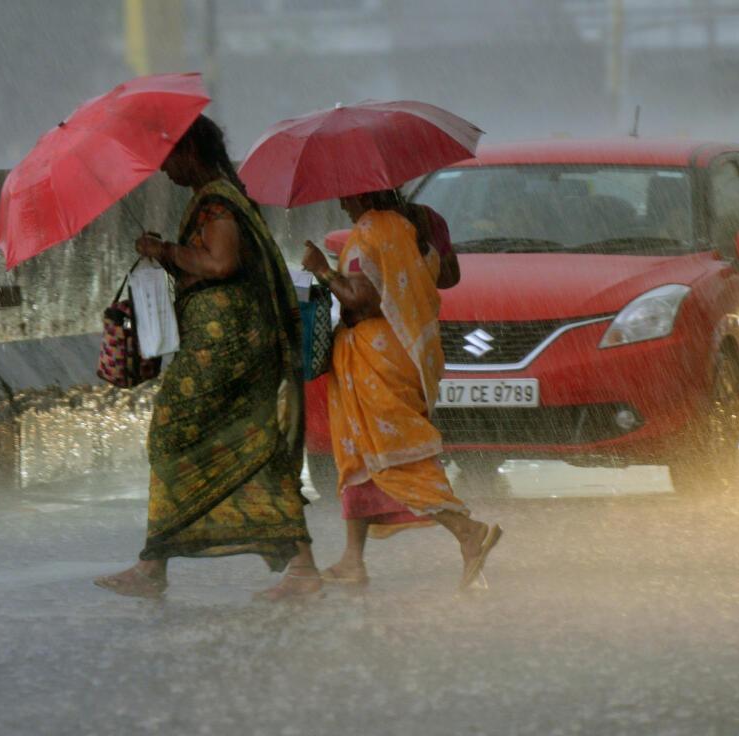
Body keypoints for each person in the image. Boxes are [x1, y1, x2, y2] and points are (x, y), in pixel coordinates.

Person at [95, 115, 321, 601]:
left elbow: (222, 263)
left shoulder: (217, 202)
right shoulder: (219, 198)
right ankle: (301, 568)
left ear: (191, 151)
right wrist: (170, 253)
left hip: (227, 348)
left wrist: (166, 250)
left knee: (171, 436)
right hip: (233, 344)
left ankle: (153, 567)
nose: (163, 168)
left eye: (168, 157)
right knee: (255, 445)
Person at [302, 189, 501, 590]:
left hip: (378, 354)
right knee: (362, 452)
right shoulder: (425, 220)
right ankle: (352, 560)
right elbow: (448, 276)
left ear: (364, 192)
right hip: (407, 349)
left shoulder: (375, 229)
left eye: (345, 196)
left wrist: (322, 270)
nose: (342, 204)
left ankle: (468, 532)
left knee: (394, 458)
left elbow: (364, 298)